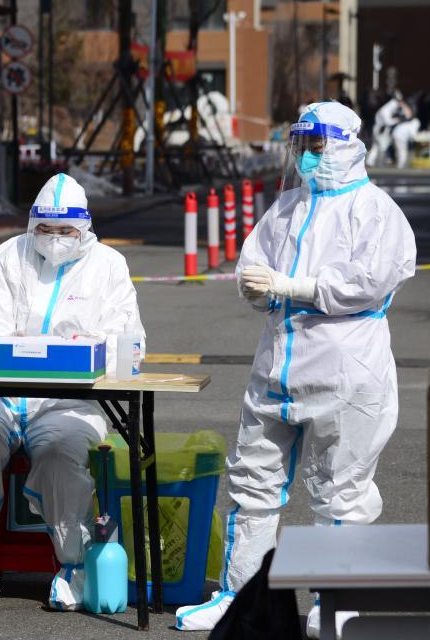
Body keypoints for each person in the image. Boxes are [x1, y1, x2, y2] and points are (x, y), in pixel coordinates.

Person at [174, 101, 416, 637]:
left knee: (341, 494)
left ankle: (337, 602)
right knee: (252, 484)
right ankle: (238, 596)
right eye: (301, 145)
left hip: (345, 372)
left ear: (347, 145)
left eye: (317, 145)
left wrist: (294, 286)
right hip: (276, 368)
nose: (307, 155)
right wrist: (257, 288)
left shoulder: (375, 210)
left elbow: (369, 283)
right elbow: (253, 262)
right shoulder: (286, 206)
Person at [0, 173, 145, 609]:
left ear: (84, 227)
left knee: (61, 457)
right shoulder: (10, 254)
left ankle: (74, 564)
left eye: (65, 231)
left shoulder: (108, 266)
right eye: (45, 229)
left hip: (66, 401)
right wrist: (28, 347)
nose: (54, 239)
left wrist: (86, 348)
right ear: (32, 225)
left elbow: (127, 339)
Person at [365, 91, 403, 167]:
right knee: (383, 147)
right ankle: (381, 163)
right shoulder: (386, 110)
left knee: (376, 146)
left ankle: (370, 161)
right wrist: (397, 120)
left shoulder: (386, 109)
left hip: (380, 130)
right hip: (380, 131)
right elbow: (388, 122)